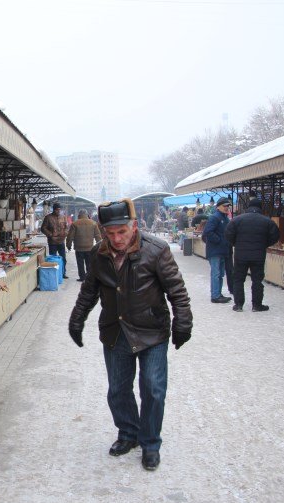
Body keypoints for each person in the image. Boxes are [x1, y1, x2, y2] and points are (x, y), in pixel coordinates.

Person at [68, 198, 192, 472]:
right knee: (118, 390)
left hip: (151, 332)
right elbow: (89, 291)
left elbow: (177, 291)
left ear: (134, 226)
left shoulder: (156, 251)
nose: (116, 239)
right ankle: (128, 433)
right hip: (115, 332)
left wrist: (183, 322)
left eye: (122, 232)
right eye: (110, 233)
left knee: (153, 389)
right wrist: (76, 320)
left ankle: (150, 443)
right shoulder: (99, 254)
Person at [225, 198, 280, 312]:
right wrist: (264, 244)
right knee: (257, 280)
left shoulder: (237, 220)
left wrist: (236, 244)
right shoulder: (267, 221)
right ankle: (257, 305)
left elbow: (228, 234)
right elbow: (275, 236)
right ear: (260, 208)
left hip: (241, 255)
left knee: (238, 279)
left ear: (248, 207)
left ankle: (239, 305)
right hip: (258, 255)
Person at [202, 197, 232, 304]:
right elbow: (208, 232)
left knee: (220, 274)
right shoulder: (215, 217)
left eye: (228, 206)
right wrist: (219, 241)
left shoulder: (224, 218)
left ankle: (218, 293)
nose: (227, 208)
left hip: (222, 250)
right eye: (225, 206)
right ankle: (215, 295)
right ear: (218, 207)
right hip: (215, 250)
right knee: (216, 273)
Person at [66, 209, 102, 281]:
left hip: (79, 248)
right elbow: (98, 236)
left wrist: (68, 245)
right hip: (89, 248)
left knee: (80, 264)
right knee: (89, 264)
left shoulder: (75, 224)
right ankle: (89, 278)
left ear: (79, 215)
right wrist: (100, 246)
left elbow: (70, 236)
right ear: (87, 215)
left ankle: (82, 277)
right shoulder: (93, 223)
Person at [41, 202, 69, 279]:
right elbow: (43, 228)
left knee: (63, 258)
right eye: (57, 210)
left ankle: (63, 273)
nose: (58, 211)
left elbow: (67, 227)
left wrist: (65, 233)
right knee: (53, 259)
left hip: (61, 241)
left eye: (59, 210)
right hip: (52, 242)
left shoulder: (63, 217)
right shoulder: (48, 217)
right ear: (54, 210)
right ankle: (54, 274)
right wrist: (50, 235)